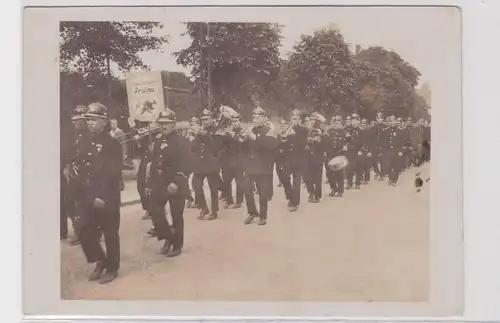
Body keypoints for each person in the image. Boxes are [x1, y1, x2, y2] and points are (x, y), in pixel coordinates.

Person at [77, 103, 123, 284]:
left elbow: (113, 173)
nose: (90, 123)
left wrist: (102, 196)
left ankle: (112, 268)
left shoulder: (112, 144)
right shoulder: (85, 141)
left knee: (110, 233)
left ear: (104, 122)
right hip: (87, 195)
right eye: (88, 120)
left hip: (107, 197)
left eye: (94, 120)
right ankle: (100, 260)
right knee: (83, 230)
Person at [146, 110, 191, 257]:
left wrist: (177, 183)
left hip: (175, 183)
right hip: (160, 182)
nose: (163, 126)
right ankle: (168, 236)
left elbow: (186, 165)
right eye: (161, 123)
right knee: (153, 209)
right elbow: (155, 163)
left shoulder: (182, 141)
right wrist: (149, 183)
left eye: (166, 123)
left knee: (176, 215)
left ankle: (177, 245)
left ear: (173, 124)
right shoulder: (158, 141)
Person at [240, 107, 279, 225]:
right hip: (250, 165)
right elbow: (244, 148)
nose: (255, 120)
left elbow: (269, 147)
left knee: (262, 192)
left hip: (263, 166)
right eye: (254, 117)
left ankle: (263, 216)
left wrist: (255, 138)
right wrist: (243, 139)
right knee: (246, 189)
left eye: (258, 117)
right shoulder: (250, 130)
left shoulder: (269, 130)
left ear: (263, 118)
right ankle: (252, 212)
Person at [61, 105, 90, 245]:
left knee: (82, 205)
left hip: (86, 177)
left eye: (77, 120)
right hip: (73, 176)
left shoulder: (91, 135)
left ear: (84, 120)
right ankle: (79, 230)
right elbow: (69, 153)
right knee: (71, 203)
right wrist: (67, 166)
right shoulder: (74, 136)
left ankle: (83, 232)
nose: (74, 123)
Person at [190, 109, 224, 220]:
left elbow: (216, 146)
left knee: (213, 188)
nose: (205, 122)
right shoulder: (200, 130)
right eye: (203, 119)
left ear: (211, 119)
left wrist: (205, 135)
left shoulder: (217, 129)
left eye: (207, 119)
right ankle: (203, 207)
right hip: (200, 163)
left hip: (211, 162)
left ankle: (214, 212)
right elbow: (194, 148)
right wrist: (193, 138)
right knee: (196, 185)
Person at [277, 109, 308, 212]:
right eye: (292, 119)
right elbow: (281, 143)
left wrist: (293, 135)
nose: (293, 121)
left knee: (296, 182)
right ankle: (290, 196)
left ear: (299, 120)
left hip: (299, 159)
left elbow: (303, 143)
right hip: (287, 158)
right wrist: (283, 137)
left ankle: (294, 202)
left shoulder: (304, 130)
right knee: (284, 178)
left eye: (295, 119)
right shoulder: (286, 129)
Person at [220, 113, 245, 209]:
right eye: (233, 121)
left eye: (236, 121)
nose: (234, 123)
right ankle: (229, 200)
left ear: (240, 121)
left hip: (238, 160)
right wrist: (224, 135)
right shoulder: (228, 131)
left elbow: (241, 144)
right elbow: (223, 145)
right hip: (228, 160)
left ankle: (239, 201)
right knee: (226, 181)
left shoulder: (243, 131)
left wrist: (233, 135)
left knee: (239, 182)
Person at [304, 112, 325, 203]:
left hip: (317, 157)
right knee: (307, 177)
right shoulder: (307, 131)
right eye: (311, 120)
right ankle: (311, 192)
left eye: (314, 120)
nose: (312, 122)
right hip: (307, 157)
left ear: (318, 122)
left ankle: (317, 195)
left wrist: (318, 138)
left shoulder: (322, 131)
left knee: (317, 178)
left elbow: (324, 144)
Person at [324, 115, 347, 197]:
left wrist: (346, 146)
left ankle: (340, 190)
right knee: (329, 173)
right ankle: (334, 188)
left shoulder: (344, 131)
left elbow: (349, 140)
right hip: (330, 154)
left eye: (337, 122)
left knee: (339, 173)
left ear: (341, 123)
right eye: (334, 123)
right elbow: (325, 141)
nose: (336, 124)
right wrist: (325, 151)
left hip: (339, 153)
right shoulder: (329, 131)